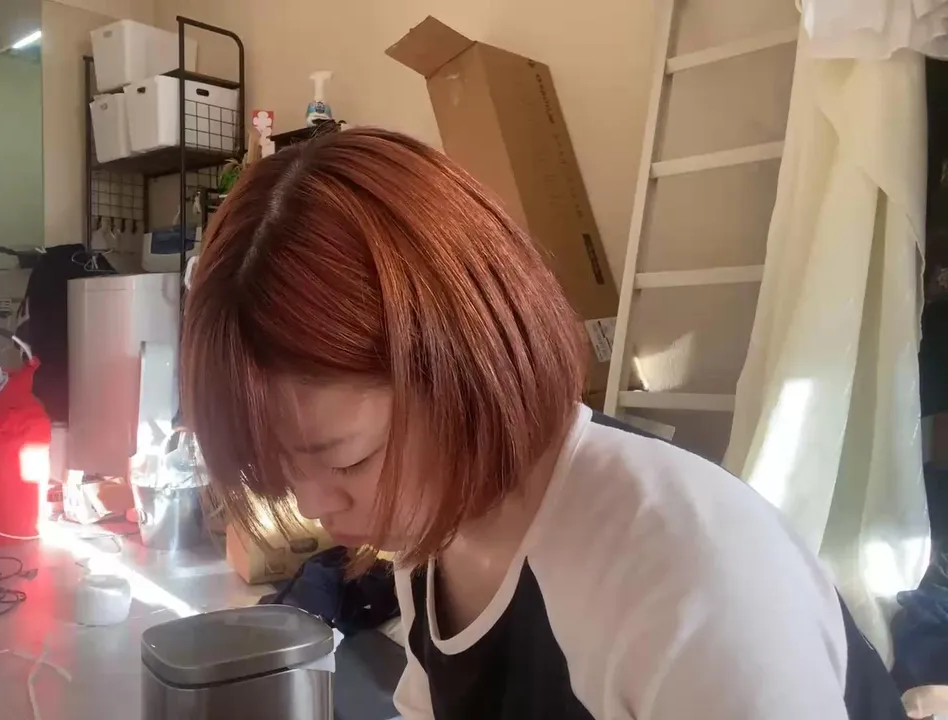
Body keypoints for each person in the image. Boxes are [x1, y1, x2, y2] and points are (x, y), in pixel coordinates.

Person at [180, 127, 905, 719]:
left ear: (466, 363)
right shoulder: (434, 527)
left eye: (346, 460)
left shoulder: (692, 578)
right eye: (283, 470)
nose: (314, 505)